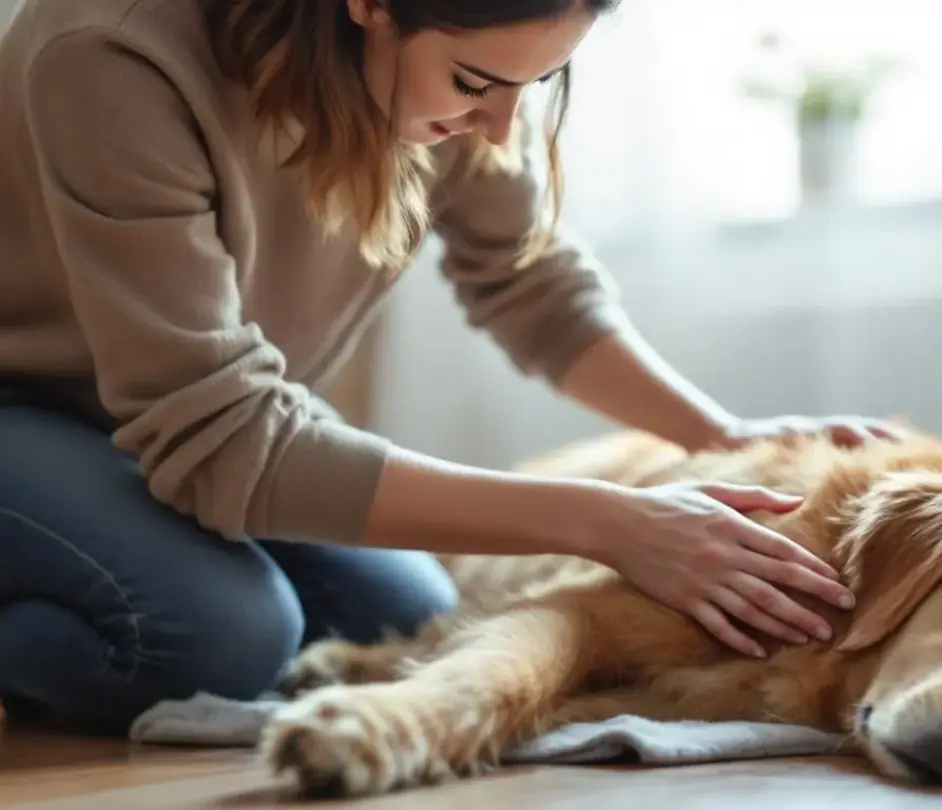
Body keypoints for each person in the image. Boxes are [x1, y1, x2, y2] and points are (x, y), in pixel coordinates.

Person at [0, 0, 897, 734]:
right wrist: (605, 523)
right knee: (224, 638)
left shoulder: (467, 78)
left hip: (172, 427)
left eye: (536, 84)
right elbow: (223, 435)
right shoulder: (109, 53)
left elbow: (527, 281)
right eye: (474, 83)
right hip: (29, 409)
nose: (501, 125)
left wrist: (718, 435)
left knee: (404, 622)